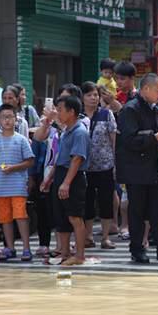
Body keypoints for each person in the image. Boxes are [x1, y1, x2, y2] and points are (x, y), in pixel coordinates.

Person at [116, 73, 158, 264]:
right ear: (146, 89)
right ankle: (137, 249)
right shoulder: (130, 109)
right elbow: (129, 140)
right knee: (137, 211)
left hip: (153, 168)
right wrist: (154, 137)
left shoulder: (154, 109)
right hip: (135, 169)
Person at [0, 104, 35, 261]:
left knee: (21, 216)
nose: (7, 120)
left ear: (16, 119)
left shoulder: (21, 140)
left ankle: (26, 248)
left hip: (18, 186)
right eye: (4, 117)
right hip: (0, 187)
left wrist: (14, 168)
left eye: (10, 117)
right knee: (4, 218)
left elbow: (30, 161)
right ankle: (10, 248)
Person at [47, 95, 91, 266]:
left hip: (73, 176)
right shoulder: (66, 130)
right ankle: (65, 252)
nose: (58, 113)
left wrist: (66, 183)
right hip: (61, 174)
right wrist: (50, 178)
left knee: (75, 216)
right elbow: (60, 157)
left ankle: (79, 255)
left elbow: (77, 159)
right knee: (62, 216)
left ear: (71, 112)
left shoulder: (80, 132)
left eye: (60, 110)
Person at [80, 82, 117, 250]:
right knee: (87, 202)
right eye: (89, 95)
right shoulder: (78, 116)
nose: (93, 98)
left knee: (106, 201)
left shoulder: (106, 114)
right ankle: (87, 236)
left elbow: (113, 139)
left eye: (95, 95)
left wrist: (115, 162)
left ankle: (105, 237)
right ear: (82, 98)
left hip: (105, 165)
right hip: (83, 167)